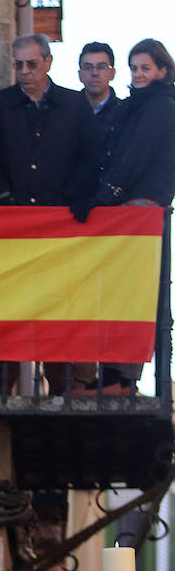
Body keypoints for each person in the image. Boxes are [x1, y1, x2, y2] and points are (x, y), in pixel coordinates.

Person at [70, 39, 175, 394]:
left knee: (133, 291)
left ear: (162, 70)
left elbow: (136, 156)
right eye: (135, 68)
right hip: (129, 205)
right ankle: (116, 374)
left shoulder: (160, 106)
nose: (139, 74)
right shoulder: (137, 106)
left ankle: (123, 377)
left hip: (141, 206)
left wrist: (102, 198)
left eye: (146, 68)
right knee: (121, 289)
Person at [0, 34, 102, 207]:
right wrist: (3, 195)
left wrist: (69, 196)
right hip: (10, 209)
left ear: (48, 62)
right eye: (19, 64)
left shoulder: (75, 104)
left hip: (62, 210)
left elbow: (90, 156)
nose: (24, 71)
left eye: (32, 63)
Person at [78, 41, 123, 146]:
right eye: (88, 67)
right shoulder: (67, 112)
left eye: (102, 67)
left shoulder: (125, 113)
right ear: (80, 75)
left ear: (112, 73)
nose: (95, 73)